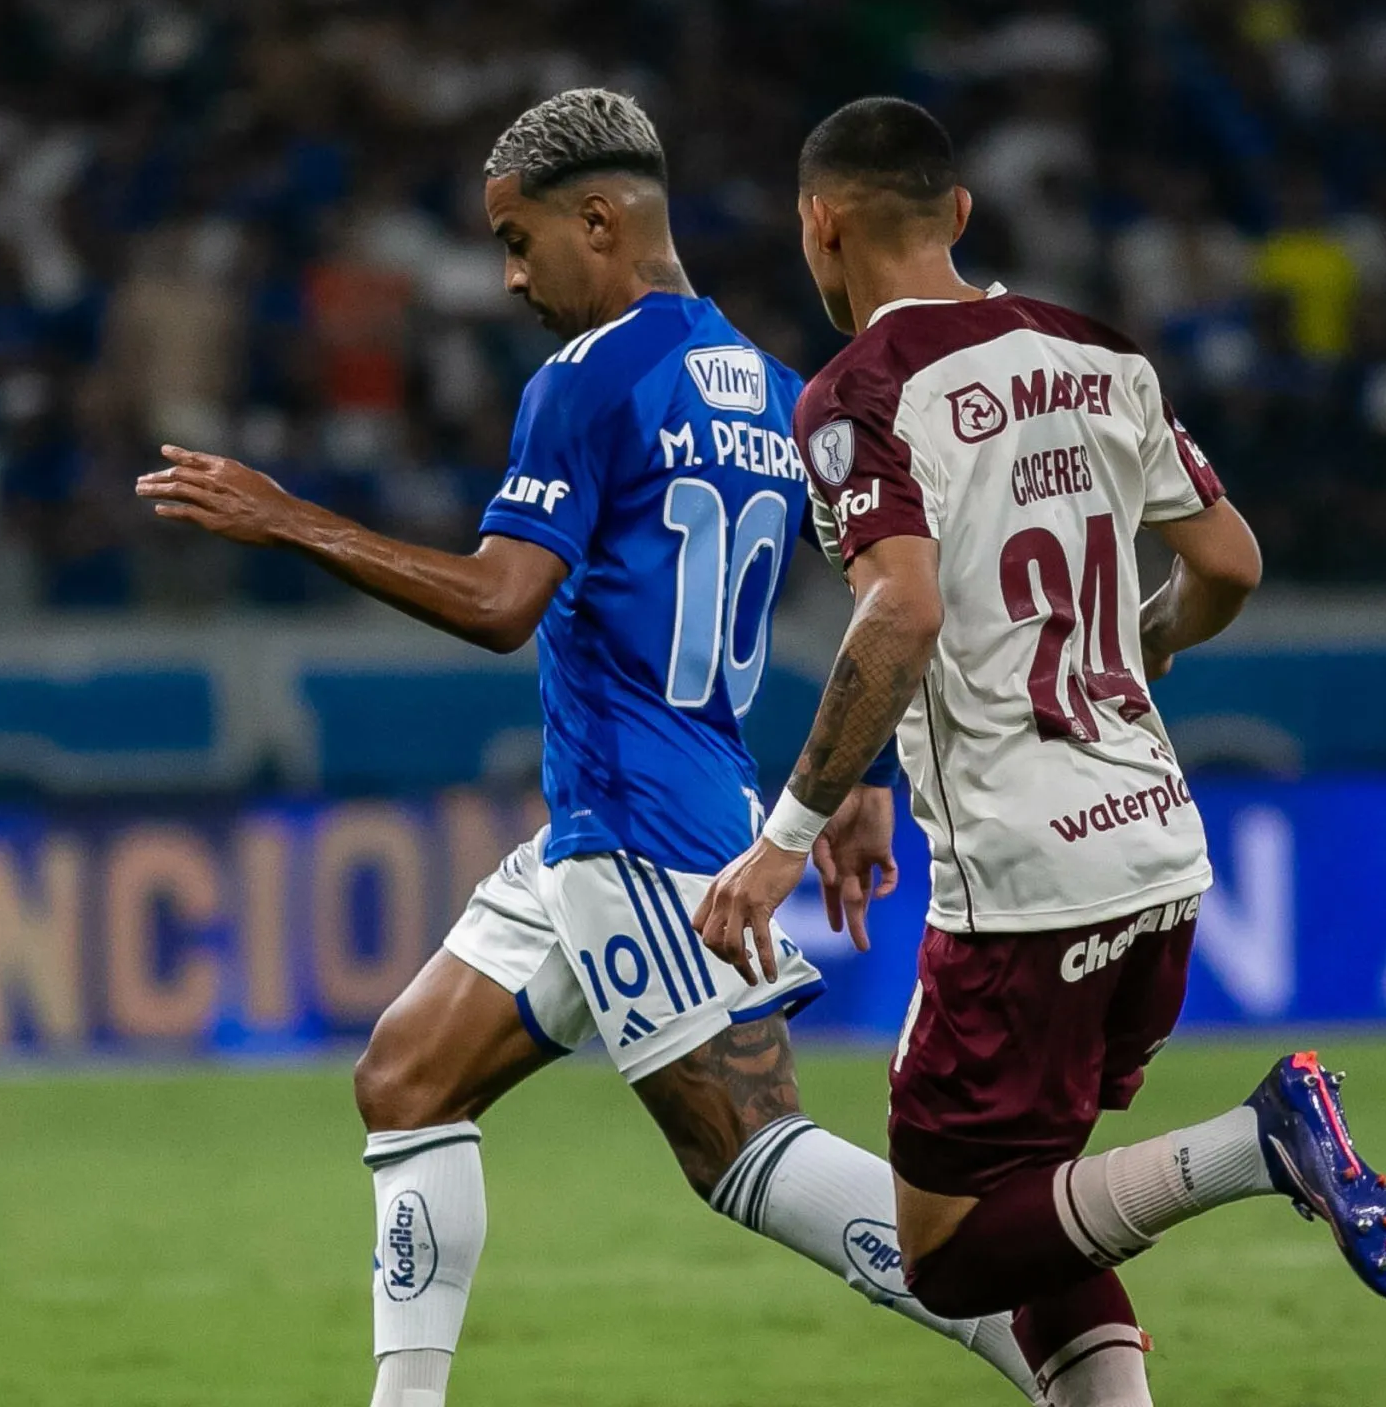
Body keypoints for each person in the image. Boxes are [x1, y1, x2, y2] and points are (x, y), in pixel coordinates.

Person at [137, 89, 1039, 1407]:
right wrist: (863, 788)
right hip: (622, 820)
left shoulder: (587, 377)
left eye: (518, 241)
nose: (509, 277)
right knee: (405, 1078)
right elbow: (893, 599)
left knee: (750, 1158)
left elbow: (504, 605)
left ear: (600, 221)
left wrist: (291, 521)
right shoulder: (782, 392)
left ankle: (1047, 1346)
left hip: (642, 834)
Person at [694, 98, 1386, 1407]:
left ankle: (1260, 1142)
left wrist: (781, 839)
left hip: (1025, 891)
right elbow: (1229, 566)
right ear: (960, 213)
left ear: (820, 225)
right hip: (1156, 849)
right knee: (1047, 1206)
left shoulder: (857, 393)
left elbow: (903, 607)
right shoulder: (1096, 353)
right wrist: (1133, 652)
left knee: (956, 1255)